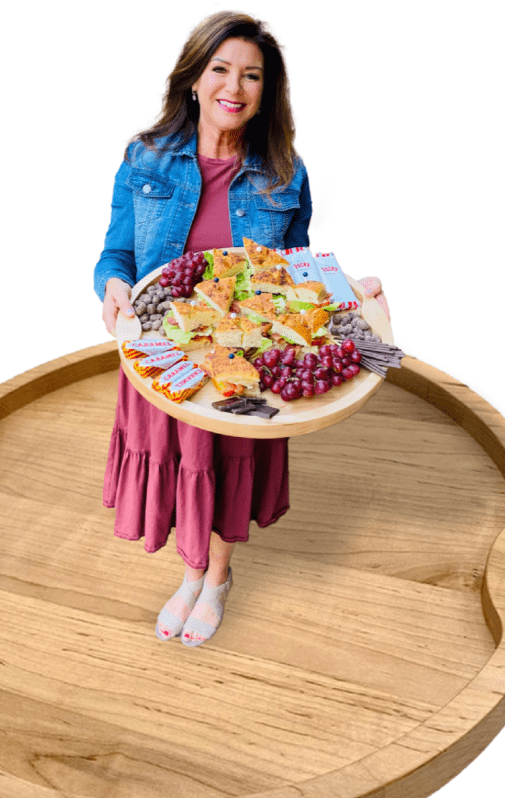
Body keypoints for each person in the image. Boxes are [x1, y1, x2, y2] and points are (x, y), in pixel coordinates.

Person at [94, 11, 387, 648]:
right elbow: (116, 255)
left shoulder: (284, 170)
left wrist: (348, 292)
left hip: (244, 358)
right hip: (163, 350)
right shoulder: (146, 158)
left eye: (252, 75)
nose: (235, 86)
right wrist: (111, 288)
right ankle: (189, 571)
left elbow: (291, 272)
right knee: (177, 465)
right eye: (221, 69)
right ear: (194, 79)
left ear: (266, 91)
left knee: (227, 465)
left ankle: (216, 577)